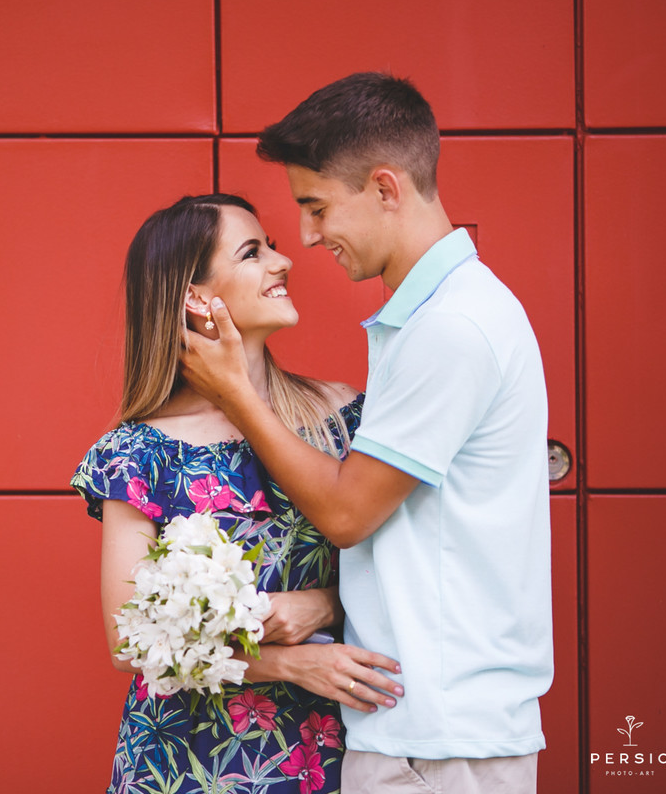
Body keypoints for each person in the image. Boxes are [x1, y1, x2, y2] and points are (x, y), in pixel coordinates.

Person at [180, 73, 553, 793]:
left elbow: (348, 514)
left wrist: (233, 389)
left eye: (316, 207)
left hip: (439, 740)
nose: (309, 237)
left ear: (386, 187)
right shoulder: (431, 318)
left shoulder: (452, 326)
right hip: (423, 729)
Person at [71, 193, 403, 793]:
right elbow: (128, 642)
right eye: (253, 252)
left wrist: (326, 604)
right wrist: (283, 663)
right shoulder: (138, 454)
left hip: (327, 749)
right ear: (197, 297)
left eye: (270, 246)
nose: (284, 262)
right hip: (183, 761)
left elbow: (406, 565)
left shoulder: (344, 418)